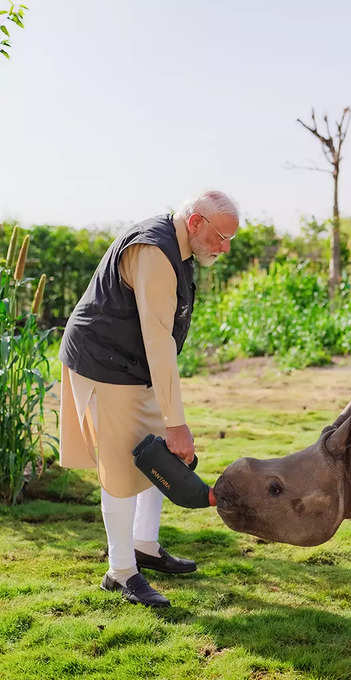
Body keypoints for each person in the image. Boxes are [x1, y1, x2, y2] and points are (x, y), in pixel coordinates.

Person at [58, 190, 239, 607]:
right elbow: (157, 340)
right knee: (122, 465)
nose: (224, 248)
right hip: (103, 363)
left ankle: (144, 544)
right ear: (195, 223)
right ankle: (121, 572)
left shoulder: (179, 248)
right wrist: (177, 422)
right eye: (220, 237)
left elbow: (159, 342)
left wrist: (170, 424)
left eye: (229, 240)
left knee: (158, 455)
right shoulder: (155, 251)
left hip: (130, 362)